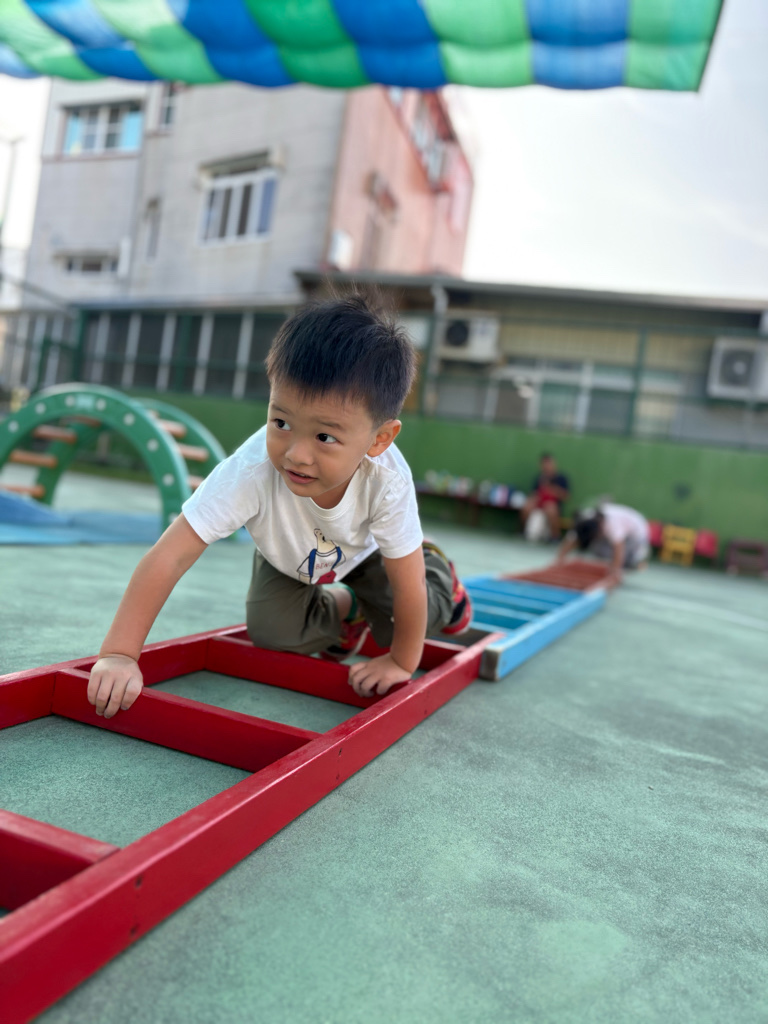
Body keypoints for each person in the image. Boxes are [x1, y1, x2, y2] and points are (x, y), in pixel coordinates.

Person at [87, 295, 472, 719]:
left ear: (379, 439)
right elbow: (171, 554)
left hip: (370, 555)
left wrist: (401, 661)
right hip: (289, 556)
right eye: (281, 423)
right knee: (272, 634)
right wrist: (120, 654)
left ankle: (439, 573)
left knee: (412, 617)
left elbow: (406, 586)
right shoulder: (250, 471)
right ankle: (348, 613)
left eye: (325, 437)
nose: (296, 455)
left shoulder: (386, 481)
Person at [555, 502, 650, 585]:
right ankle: (612, 567)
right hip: (613, 534)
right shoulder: (585, 520)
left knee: (628, 561)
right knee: (599, 551)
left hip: (635, 537)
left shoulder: (612, 523)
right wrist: (560, 560)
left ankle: (628, 565)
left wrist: (615, 572)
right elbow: (571, 539)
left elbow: (619, 547)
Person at [520, 453, 570, 541]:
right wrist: (533, 499)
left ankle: (555, 536)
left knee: (550, 507)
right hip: (539, 504)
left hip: (552, 506)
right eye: (544, 464)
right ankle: (522, 531)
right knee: (527, 506)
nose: (546, 466)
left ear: (553, 464)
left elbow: (566, 496)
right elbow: (534, 494)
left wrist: (551, 488)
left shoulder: (561, 478)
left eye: (548, 463)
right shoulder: (539, 478)